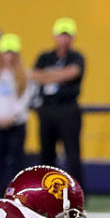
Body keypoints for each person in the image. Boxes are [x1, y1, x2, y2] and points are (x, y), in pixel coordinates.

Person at [32, 18, 85, 186]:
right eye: (61, 35)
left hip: (68, 109)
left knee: (72, 154)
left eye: (67, 36)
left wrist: (48, 76)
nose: (64, 39)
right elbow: (35, 76)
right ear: (55, 37)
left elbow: (73, 72)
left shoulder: (76, 57)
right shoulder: (45, 57)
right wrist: (59, 76)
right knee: (46, 155)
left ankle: (76, 192)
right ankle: (46, 193)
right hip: (47, 109)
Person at [0, 34, 33, 198]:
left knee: (16, 162)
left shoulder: (24, 76)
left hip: (16, 125)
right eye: (6, 53)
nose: (8, 56)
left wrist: (13, 116)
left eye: (12, 53)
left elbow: (25, 99)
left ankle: (16, 196)